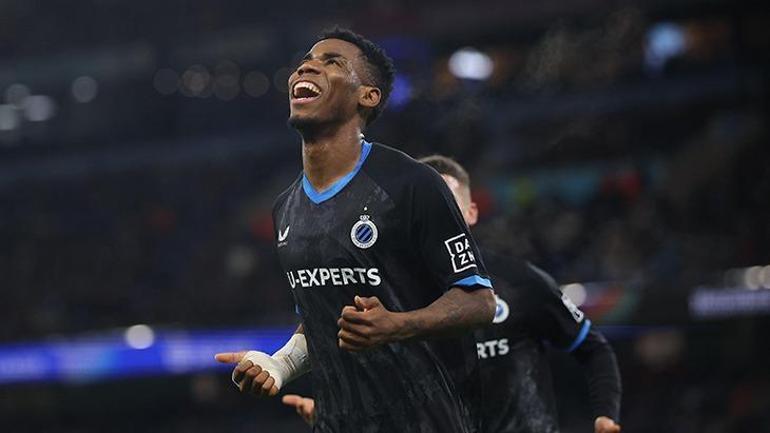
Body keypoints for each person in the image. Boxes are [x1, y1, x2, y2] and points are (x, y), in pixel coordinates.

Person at [215, 29, 496, 433]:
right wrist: (280, 364)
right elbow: (321, 323)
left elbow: (479, 301)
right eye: (306, 61)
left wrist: (398, 324)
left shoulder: (411, 184)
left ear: (368, 96)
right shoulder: (285, 208)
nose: (307, 68)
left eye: (332, 62)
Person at [283, 155, 623, 433]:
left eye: (448, 202)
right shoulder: (385, 296)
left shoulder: (520, 281)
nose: (438, 213)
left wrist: (605, 414)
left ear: (471, 212)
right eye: (427, 205)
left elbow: (592, 347)